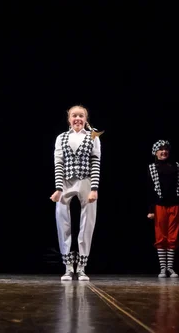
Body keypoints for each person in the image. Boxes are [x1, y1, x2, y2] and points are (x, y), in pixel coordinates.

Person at [50, 105, 102, 281]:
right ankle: (67, 266)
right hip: (65, 181)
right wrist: (58, 189)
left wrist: (94, 189)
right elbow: (58, 163)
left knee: (87, 222)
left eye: (81, 115)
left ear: (86, 119)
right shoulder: (61, 138)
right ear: (69, 119)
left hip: (85, 179)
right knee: (62, 219)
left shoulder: (92, 137)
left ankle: (81, 266)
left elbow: (96, 163)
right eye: (74, 115)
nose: (78, 118)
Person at [147, 140, 179, 278]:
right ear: (156, 152)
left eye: (166, 149)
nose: (164, 151)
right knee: (161, 236)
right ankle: (162, 268)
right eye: (160, 149)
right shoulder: (152, 168)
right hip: (159, 206)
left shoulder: (176, 166)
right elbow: (148, 189)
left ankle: (170, 268)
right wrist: (150, 209)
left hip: (175, 205)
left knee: (173, 236)